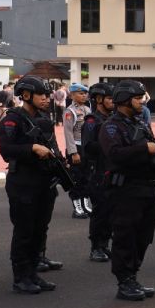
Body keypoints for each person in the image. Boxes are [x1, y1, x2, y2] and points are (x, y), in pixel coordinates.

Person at [100, 80, 155, 300]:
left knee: (143, 236)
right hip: (125, 191)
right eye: (137, 98)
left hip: (147, 190)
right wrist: (144, 148)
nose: (142, 102)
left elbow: (153, 156)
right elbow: (114, 154)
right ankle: (124, 281)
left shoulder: (139, 124)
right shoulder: (111, 126)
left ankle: (133, 276)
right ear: (124, 100)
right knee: (126, 236)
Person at [0, 76, 64, 294]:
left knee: (39, 230)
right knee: (24, 231)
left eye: (47, 95)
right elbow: (6, 151)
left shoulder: (44, 119)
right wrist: (32, 148)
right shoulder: (13, 119)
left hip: (44, 182)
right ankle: (21, 277)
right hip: (23, 183)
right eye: (41, 95)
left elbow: (53, 147)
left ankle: (33, 272)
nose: (46, 99)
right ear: (26, 95)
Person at [82, 82, 115, 262]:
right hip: (98, 172)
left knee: (110, 211)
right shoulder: (92, 121)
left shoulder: (112, 119)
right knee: (100, 212)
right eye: (110, 98)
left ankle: (105, 244)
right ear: (99, 99)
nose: (113, 102)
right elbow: (88, 147)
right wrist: (109, 145)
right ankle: (96, 246)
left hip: (111, 171)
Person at [62, 83, 92, 219]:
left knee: (87, 177)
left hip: (86, 147)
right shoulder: (69, 111)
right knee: (76, 178)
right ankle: (77, 207)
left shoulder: (87, 109)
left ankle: (85, 204)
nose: (84, 95)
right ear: (72, 95)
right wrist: (73, 152)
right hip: (76, 147)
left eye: (85, 93)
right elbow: (68, 133)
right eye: (80, 93)